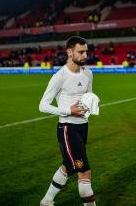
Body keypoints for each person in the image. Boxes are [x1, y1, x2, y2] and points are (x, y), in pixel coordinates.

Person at [39, 36, 96, 206]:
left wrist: (92, 104)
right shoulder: (60, 76)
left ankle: (47, 200)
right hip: (67, 128)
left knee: (68, 166)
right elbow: (43, 105)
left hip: (83, 126)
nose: (85, 55)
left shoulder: (88, 73)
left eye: (86, 51)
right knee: (84, 171)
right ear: (69, 52)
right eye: (80, 51)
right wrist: (68, 110)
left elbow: (88, 96)